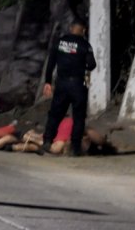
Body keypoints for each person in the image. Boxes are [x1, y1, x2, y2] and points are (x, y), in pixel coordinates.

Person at [39, 19, 96, 157]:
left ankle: (47, 141)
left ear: (71, 29)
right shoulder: (85, 45)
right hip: (78, 84)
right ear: (83, 31)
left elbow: (51, 62)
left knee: (55, 113)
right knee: (78, 117)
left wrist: (47, 81)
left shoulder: (59, 42)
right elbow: (91, 65)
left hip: (62, 84)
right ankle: (75, 148)